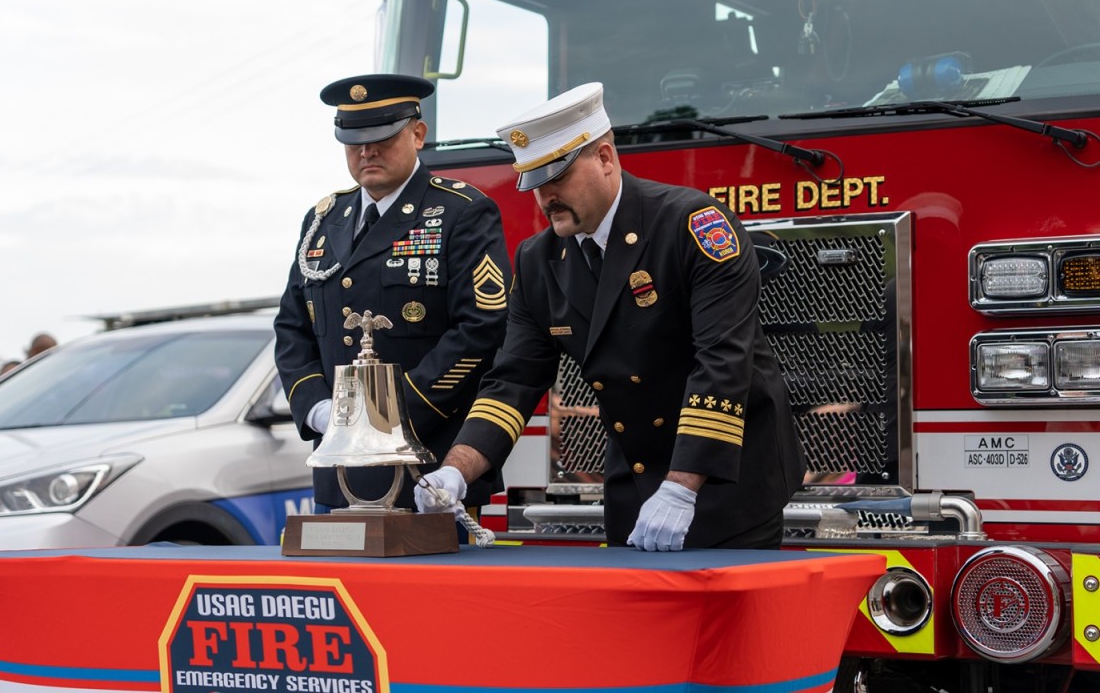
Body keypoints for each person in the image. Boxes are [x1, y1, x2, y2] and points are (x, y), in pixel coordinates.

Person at [415, 82, 806, 551]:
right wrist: (456, 470)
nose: (545, 197)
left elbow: (723, 362)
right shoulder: (538, 261)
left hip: (729, 484)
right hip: (635, 487)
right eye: (534, 183)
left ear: (604, 157)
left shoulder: (691, 225)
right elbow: (513, 381)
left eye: (557, 177)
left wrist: (682, 488)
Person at [274, 73, 512, 522]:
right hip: (339, 470)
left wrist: (390, 417)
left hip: (431, 465)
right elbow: (292, 328)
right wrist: (322, 411)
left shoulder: (462, 212)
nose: (367, 151)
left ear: (418, 134)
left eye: (382, 137)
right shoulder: (323, 219)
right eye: (354, 140)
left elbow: (481, 328)